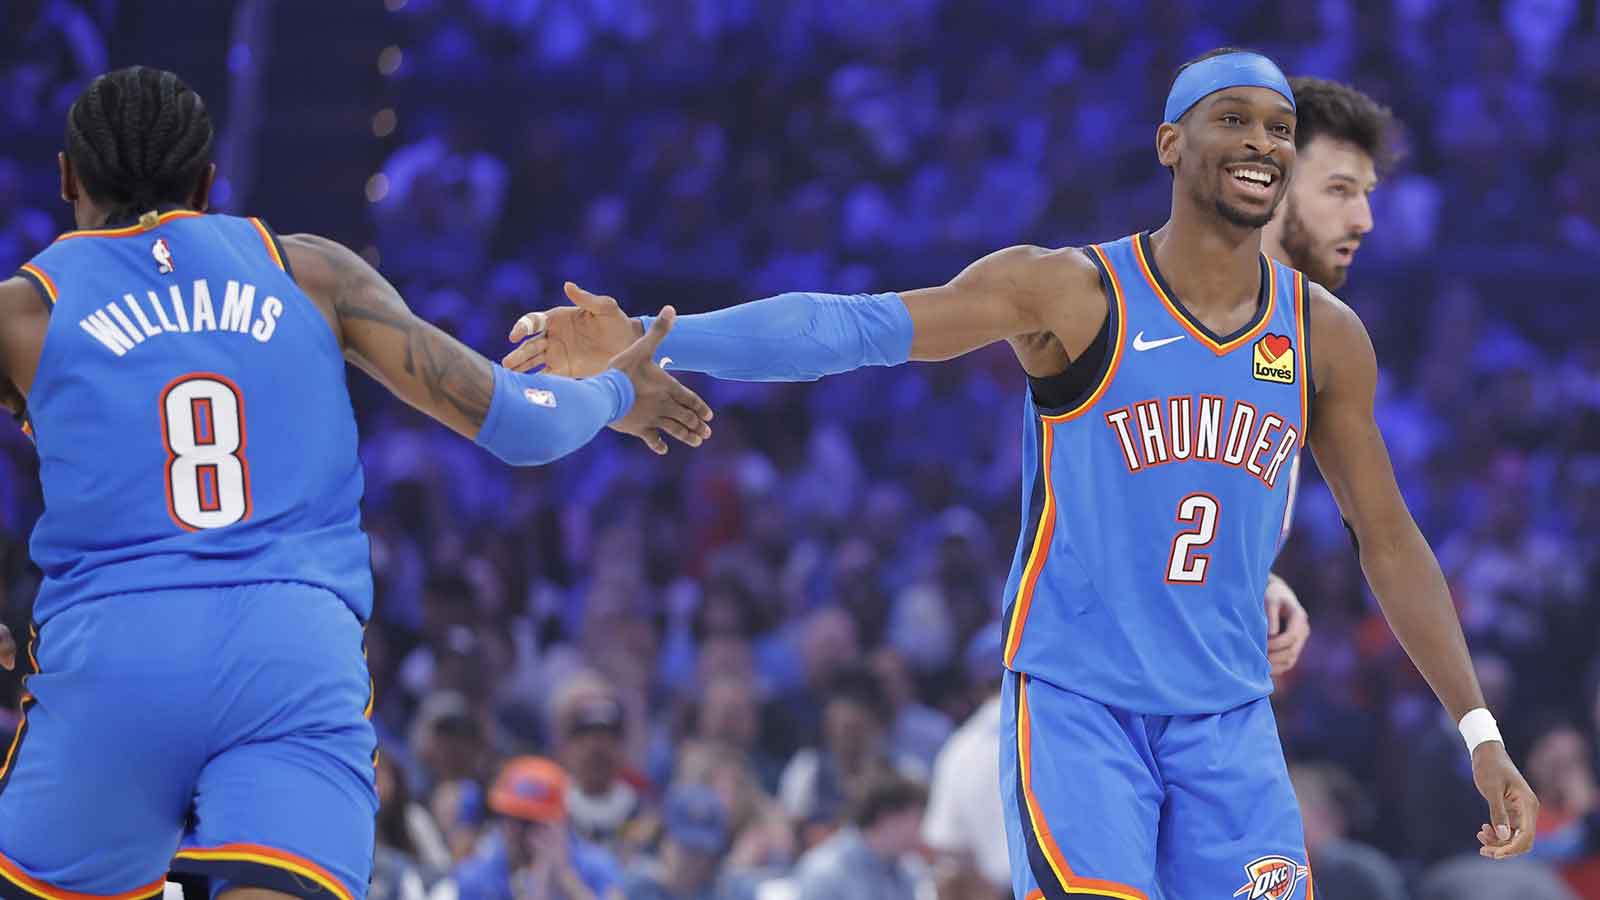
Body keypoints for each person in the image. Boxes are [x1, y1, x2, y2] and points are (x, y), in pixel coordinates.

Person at [507, 47, 1540, 896]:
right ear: (1171, 143)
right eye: (1234, 120)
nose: (1262, 143)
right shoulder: (1071, 292)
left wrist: (1478, 728)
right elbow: (857, 326)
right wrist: (648, 335)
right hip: (1081, 710)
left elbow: (1390, 538)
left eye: (1279, 128)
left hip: (1227, 719)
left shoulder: (1325, 336)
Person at [0, 67, 711, 900]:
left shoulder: (26, 310)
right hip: (292, 655)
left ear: (67, 178)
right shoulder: (311, 273)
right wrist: (616, 392)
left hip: (113, 659)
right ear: (207, 183)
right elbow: (523, 425)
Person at [454, 757, 624, 900]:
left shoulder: (596, 864)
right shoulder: (477, 875)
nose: (518, 832)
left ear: (562, 823)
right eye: (513, 818)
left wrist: (564, 877)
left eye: (531, 822)